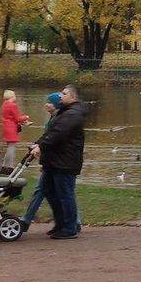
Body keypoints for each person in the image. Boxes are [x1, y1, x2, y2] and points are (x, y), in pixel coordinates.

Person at [30, 85, 86, 238]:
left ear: (73, 97)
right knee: (49, 191)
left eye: (64, 93)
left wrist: (41, 146)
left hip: (65, 162)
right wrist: (37, 143)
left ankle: (70, 228)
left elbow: (58, 134)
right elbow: (50, 132)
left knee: (65, 194)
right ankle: (61, 223)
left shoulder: (73, 114)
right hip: (54, 161)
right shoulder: (64, 112)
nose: (60, 96)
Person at [18, 91, 63, 232]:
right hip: (51, 161)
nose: (46, 104)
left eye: (49, 102)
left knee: (59, 192)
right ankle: (73, 221)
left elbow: (52, 141)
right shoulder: (51, 119)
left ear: (56, 105)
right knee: (52, 192)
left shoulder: (57, 121)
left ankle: (26, 220)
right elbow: (46, 137)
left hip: (55, 162)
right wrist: (36, 144)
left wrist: (43, 159)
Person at [0, 89, 28, 173]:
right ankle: (10, 167)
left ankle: (4, 167)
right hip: (12, 128)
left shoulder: (4, 104)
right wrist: (26, 117)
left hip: (6, 127)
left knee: (9, 147)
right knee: (12, 148)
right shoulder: (13, 105)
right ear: (12, 97)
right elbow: (17, 118)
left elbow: (11, 117)